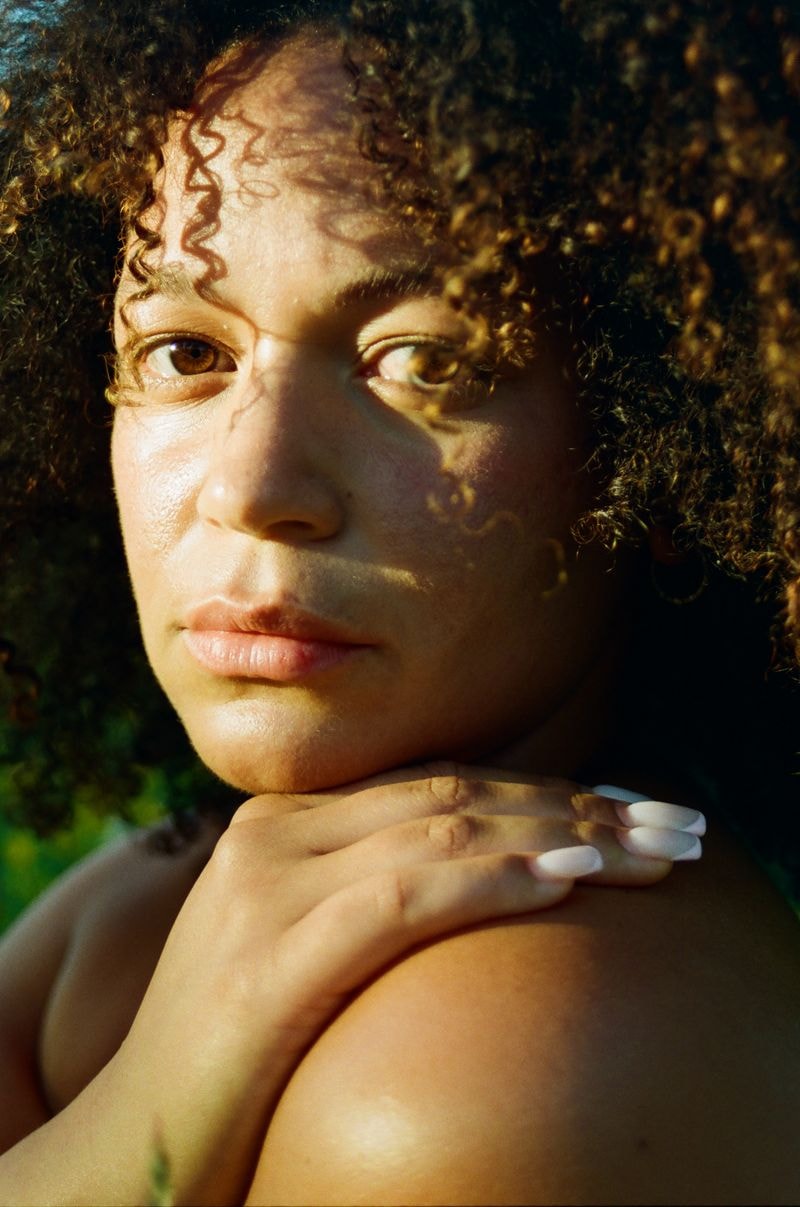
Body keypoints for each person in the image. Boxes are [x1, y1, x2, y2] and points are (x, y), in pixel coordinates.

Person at [0, 1, 798, 1204]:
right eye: (183, 351)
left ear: (667, 429)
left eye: (428, 362)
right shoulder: (162, 899)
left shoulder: (504, 1059)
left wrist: (138, 1126)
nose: (255, 486)